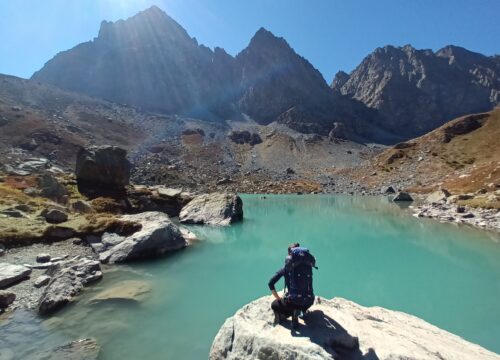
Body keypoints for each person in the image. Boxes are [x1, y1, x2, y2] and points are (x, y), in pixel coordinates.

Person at [268, 242, 316, 328]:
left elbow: (271, 283)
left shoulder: (286, 268)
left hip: (293, 301)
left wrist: (278, 298)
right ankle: (303, 310)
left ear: (289, 254)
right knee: (301, 299)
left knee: (274, 305)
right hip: (309, 301)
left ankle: (294, 313)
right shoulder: (308, 265)